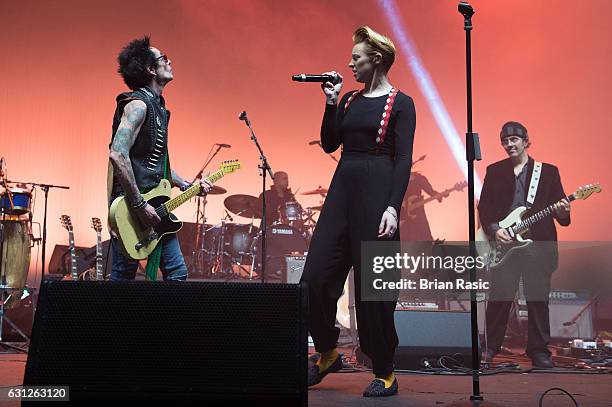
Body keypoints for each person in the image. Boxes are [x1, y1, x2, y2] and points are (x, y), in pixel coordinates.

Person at [300, 26, 415, 397]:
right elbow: (330, 142)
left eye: (356, 58)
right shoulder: (348, 99)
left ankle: (384, 372)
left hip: (378, 194)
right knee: (314, 277)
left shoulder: (401, 103)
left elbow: (403, 160)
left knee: (373, 291)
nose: (349, 63)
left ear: (376, 59)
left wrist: (393, 208)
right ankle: (329, 351)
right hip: (342, 192)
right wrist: (330, 101)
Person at [107, 36, 211, 281]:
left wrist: (186, 185)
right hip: (132, 209)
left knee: (176, 273)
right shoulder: (138, 106)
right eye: (164, 57)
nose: (170, 60)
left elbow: (154, 163)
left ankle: (162, 320)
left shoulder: (158, 107)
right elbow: (117, 153)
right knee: (124, 276)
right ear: (151, 69)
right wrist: (140, 205)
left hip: (155, 204)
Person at [478, 121, 571, 368]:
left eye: (514, 140)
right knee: (500, 297)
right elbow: (484, 207)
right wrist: (495, 230)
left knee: (537, 299)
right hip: (505, 244)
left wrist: (563, 211)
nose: (509, 145)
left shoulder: (549, 172)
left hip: (537, 244)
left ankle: (539, 351)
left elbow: (562, 215)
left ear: (525, 140)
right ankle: (490, 348)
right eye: (505, 141)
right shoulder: (495, 170)